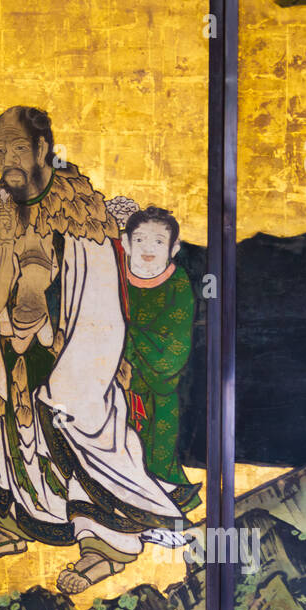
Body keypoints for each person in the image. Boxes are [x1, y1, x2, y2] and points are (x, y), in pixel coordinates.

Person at [0, 106, 189, 596]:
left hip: (68, 358)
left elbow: (99, 300)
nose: (7, 159)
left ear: (43, 148)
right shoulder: (0, 205)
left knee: (75, 428)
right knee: (9, 434)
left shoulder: (76, 208)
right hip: (13, 351)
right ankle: (11, 526)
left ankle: (104, 546)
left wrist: (74, 377)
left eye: (17, 147)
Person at [111, 205, 200, 513]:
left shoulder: (178, 286)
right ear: (125, 243)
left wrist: (128, 336)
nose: (148, 248)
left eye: (159, 241)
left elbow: (172, 352)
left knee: (155, 464)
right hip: (110, 389)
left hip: (157, 394)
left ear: (174, 247)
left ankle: (158, 512)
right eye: (140, 240)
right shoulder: (112, 276)